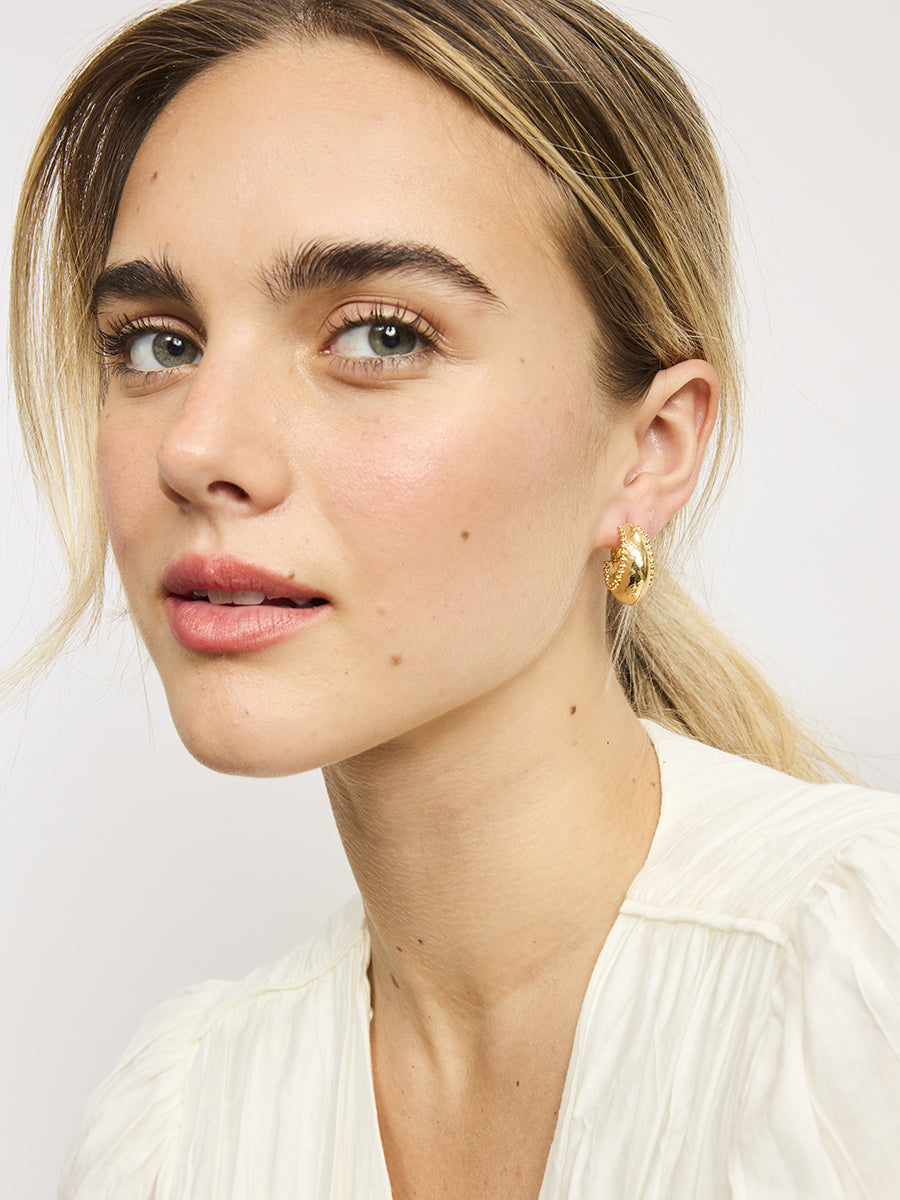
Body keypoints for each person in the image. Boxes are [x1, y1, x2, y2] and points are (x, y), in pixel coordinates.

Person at [6, 0, 898, 1195]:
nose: (197, 447)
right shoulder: (173, 1129)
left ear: (649, 451)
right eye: (157, 344)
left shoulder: (861, 973)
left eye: (381, 335)